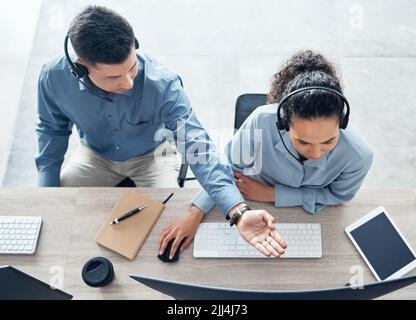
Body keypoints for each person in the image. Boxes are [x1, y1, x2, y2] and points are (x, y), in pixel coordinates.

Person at [35, 5, 286, 259]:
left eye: (131, 68)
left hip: (154, 155)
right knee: (59, 217)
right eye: (114, 78)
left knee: (169, 233)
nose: (129, 82)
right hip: (94, 155)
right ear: (81, 67)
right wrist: (48, 194)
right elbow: (51, 131)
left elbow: (199, 149)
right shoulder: (52, 78)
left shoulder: (162, 83)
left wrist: (238, 212)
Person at [159, 50, 374, 256]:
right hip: (247, 200)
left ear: (342, 123)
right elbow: (226, 168)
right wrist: (195, 212)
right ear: (283, 123)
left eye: (328, 141)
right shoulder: (261, 121)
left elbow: (337, 196)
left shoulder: (359, 156)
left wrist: (273, 194)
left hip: (301, 212)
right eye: (303, 142)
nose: (316, 153)